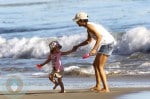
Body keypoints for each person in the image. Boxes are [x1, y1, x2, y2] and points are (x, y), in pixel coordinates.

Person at [72, 12, 116, 92]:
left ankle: (106, 88)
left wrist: (94, 49)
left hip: (107, 43)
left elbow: (99, 37)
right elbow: (88, 41)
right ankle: (98, 85)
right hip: (105, 44)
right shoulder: (88, 27)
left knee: (100, 66)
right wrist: (77, 46)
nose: (76, 22)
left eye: (77, 21)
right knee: (95, 64)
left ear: (82, 20)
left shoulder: (89, 26)